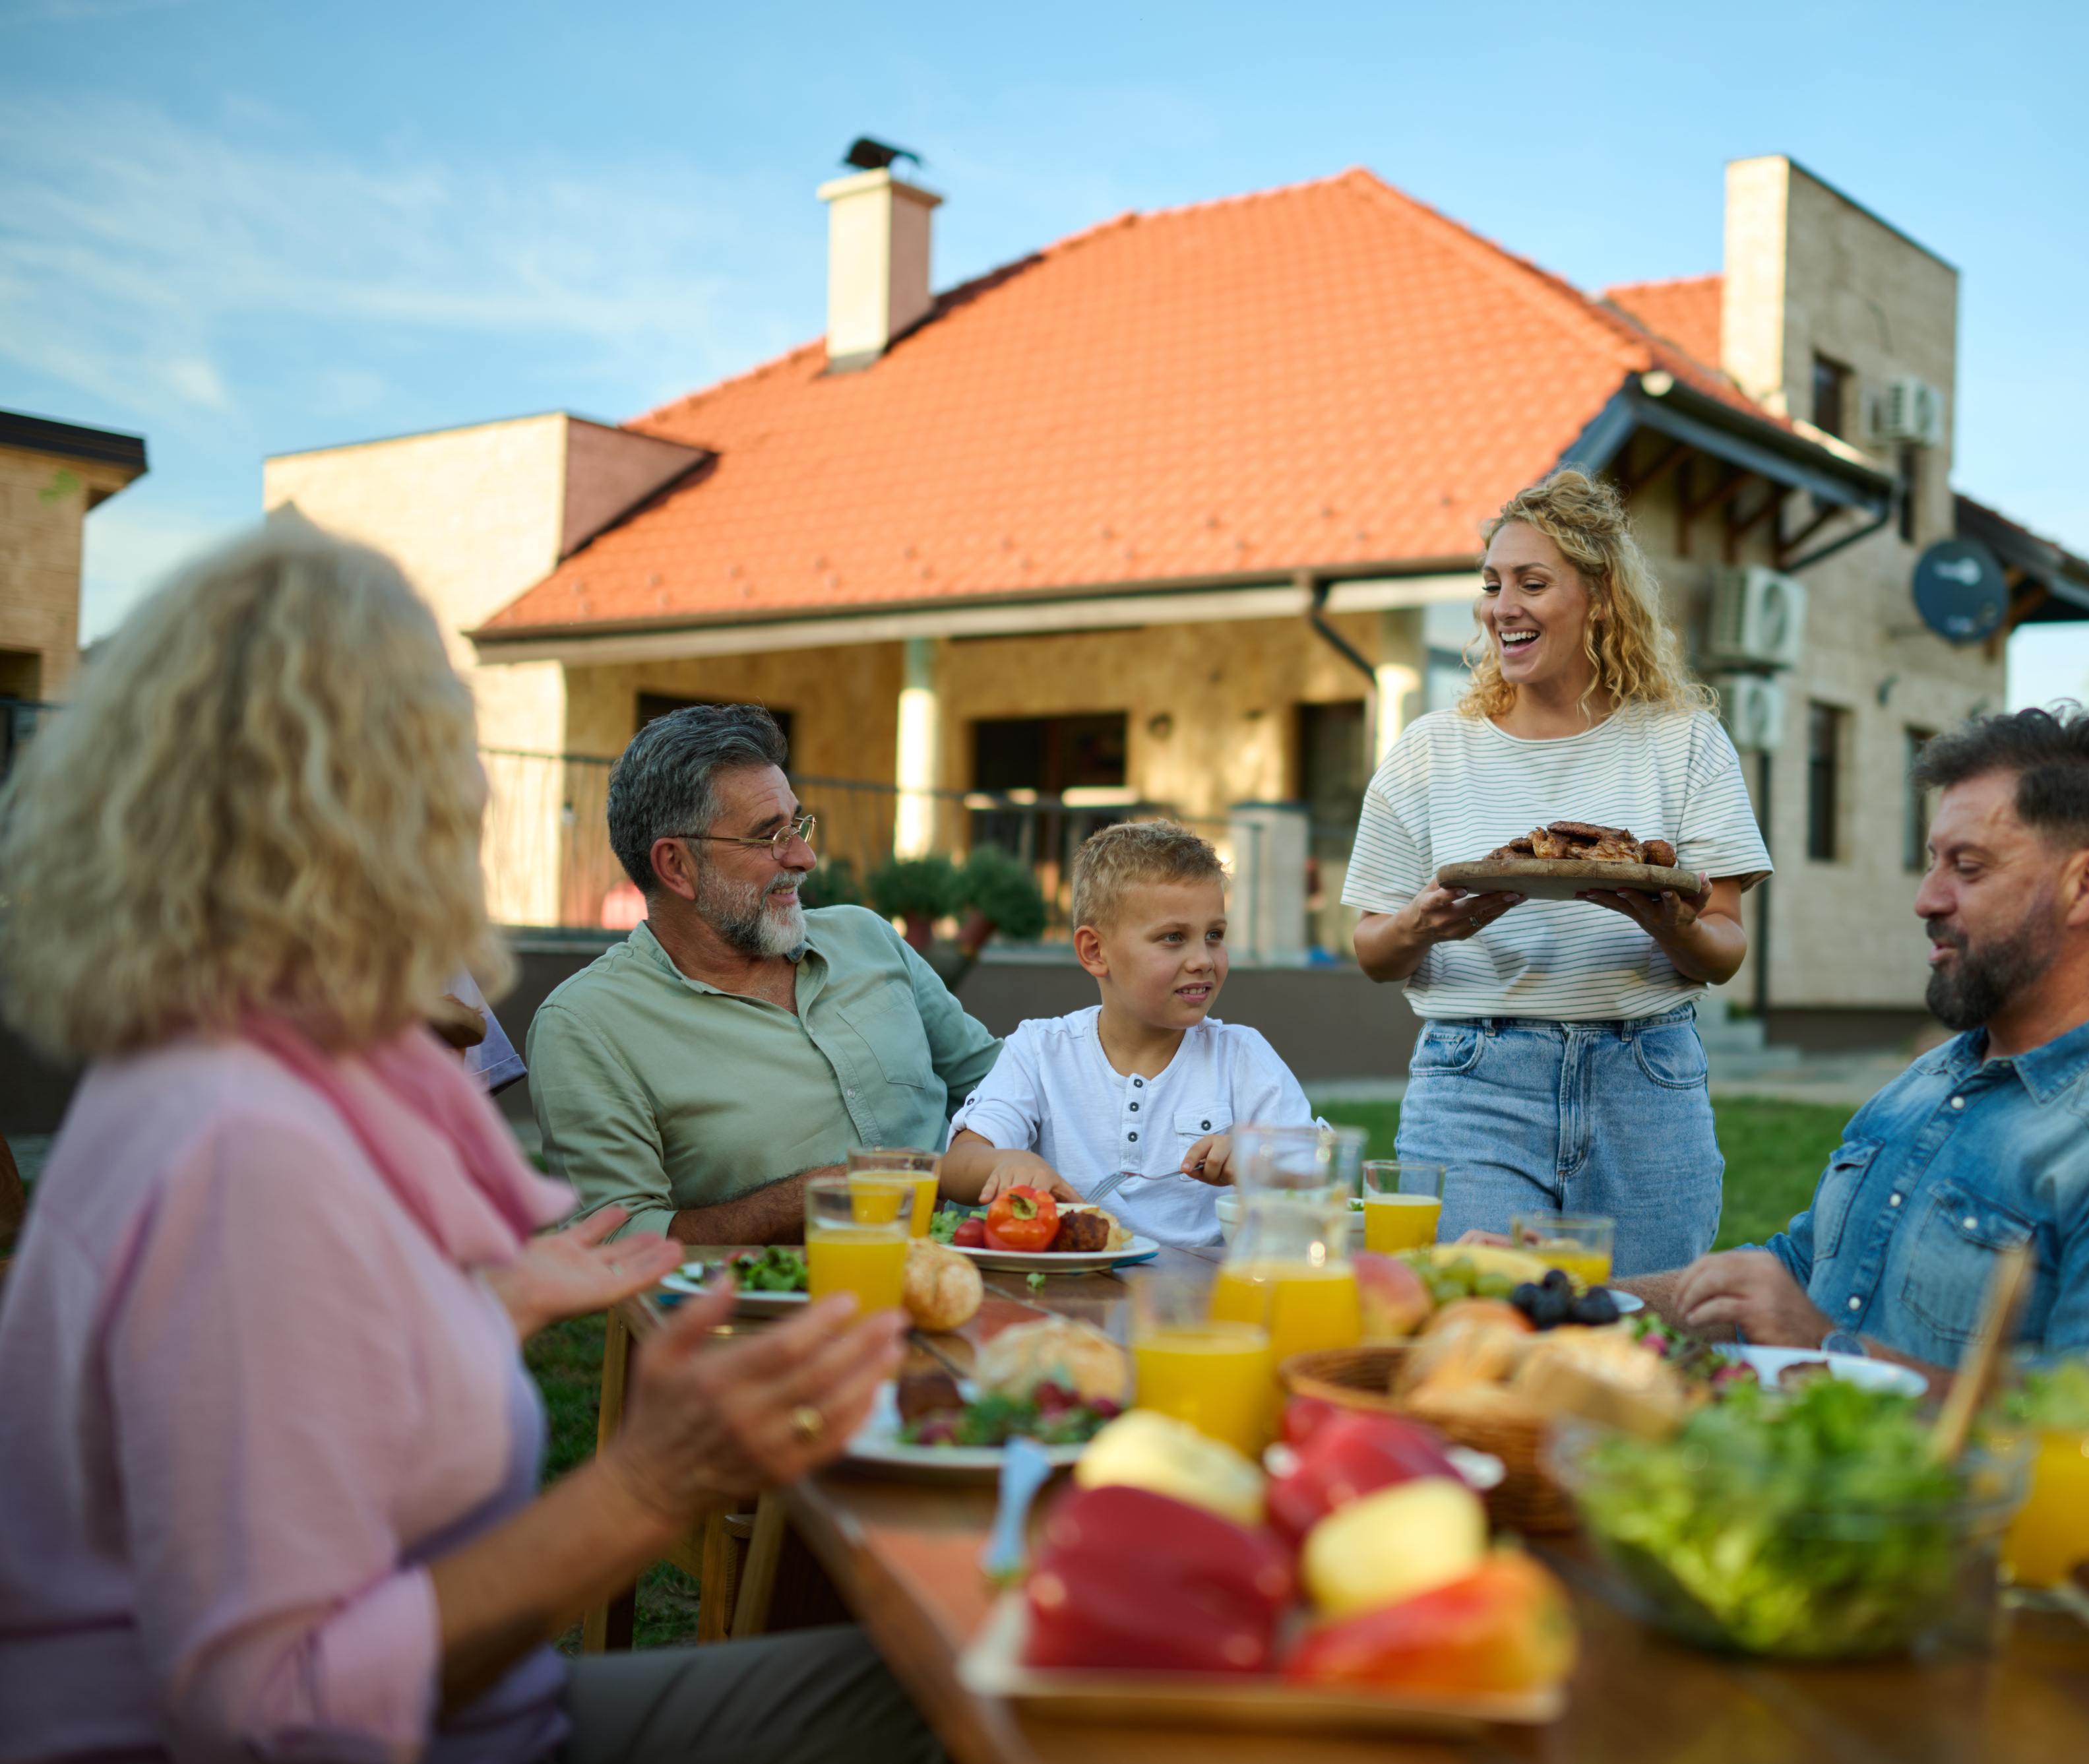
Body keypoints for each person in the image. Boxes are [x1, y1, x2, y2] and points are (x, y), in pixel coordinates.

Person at [0, 522, 942, 1763]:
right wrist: (653, 1483)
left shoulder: (238, 1066)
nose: (477, 792)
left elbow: (291, 1404)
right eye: (442, 740)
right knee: (971, 1669)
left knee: (957, 1652)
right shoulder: (242, 1150)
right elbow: (271, 1707)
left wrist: (487, 1301)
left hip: (494, 1708)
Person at [1629, 705, 2089, 1454]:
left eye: (1969, 867)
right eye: (1932, 860)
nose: (1927, 898)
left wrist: (1827, 1356)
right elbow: (1788, 1277)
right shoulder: (1937, 1077)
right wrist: (1561, 1291)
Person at [1341, 470, 1770, 1275]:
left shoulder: (1684, 740)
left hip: (1645, 1078)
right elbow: (1371, 950)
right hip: (1477, 1080)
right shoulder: (1432, 750)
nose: (1503, 606)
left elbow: (1723, 948)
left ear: (1600, 597)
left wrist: (1658, 915)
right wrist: (1421, 925)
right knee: (1475, 1328)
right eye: (1493, 584)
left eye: (1533, 583)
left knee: (1643, 1335)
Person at [527, 705, 1042, 1244]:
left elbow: (1000, 1083)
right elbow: (615, 1240)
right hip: (780, 1318)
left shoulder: (866, 938)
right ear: (676, 866)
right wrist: (830, 1193)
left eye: (797, 825)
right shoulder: (585, 1026)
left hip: (983, 1274)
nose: (804, 856)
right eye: (768, 836)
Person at [941, 820, 1312, 1248]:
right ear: (1095, 952)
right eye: (1173, 938)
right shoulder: (1040, 1052)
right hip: (1071, 1293)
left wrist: (1258, 1160)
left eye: (1214, 936)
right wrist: (1007, 1163)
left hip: (1207, 1295)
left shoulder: (1242, 1057)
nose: (1202, 960)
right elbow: (955, 1168)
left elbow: (1317, 1172)